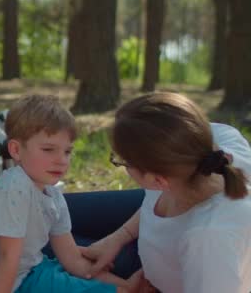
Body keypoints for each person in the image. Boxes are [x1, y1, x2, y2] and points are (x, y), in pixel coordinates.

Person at [0, 95, 143, 293]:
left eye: (67, 152)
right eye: (48, 150)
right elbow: (8, 258)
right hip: (12, 282)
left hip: (34, 268)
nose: (61, 160)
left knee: (81, 278)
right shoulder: (13, 188)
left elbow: (72, 260)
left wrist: (121, 284)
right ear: (16, 150)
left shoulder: (54, 196)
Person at [81, 92, 251, 293]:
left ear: (158, 180)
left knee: (48, 248)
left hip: (160, 275)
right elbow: (155, 201)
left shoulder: (208, 240)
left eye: (122, 161)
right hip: (153, 253)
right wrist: (118, 238)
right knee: (51, 218)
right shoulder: (197, 150)